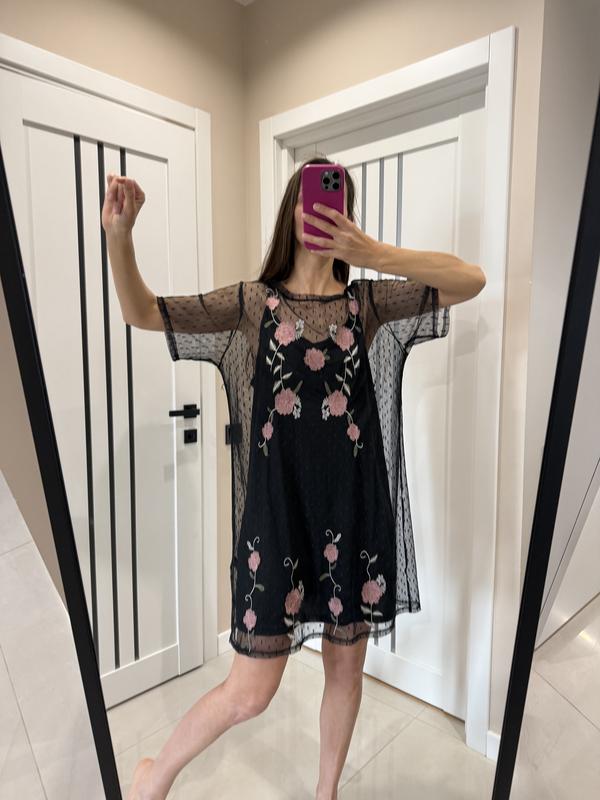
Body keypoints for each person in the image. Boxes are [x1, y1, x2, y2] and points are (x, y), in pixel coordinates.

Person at [103, 157, 485, 800]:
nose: (326, 211)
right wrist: (120, 237)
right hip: (277, 521)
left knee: (345, 670)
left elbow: (470, 281)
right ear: (293, 209)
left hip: (354, 515)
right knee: (250, 692)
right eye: (315, 198)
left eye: (338, 202)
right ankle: (153, 775)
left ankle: (325, 793)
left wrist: (372, 252)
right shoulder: (254, 304)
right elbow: (141, 311)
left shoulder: (365, 304)